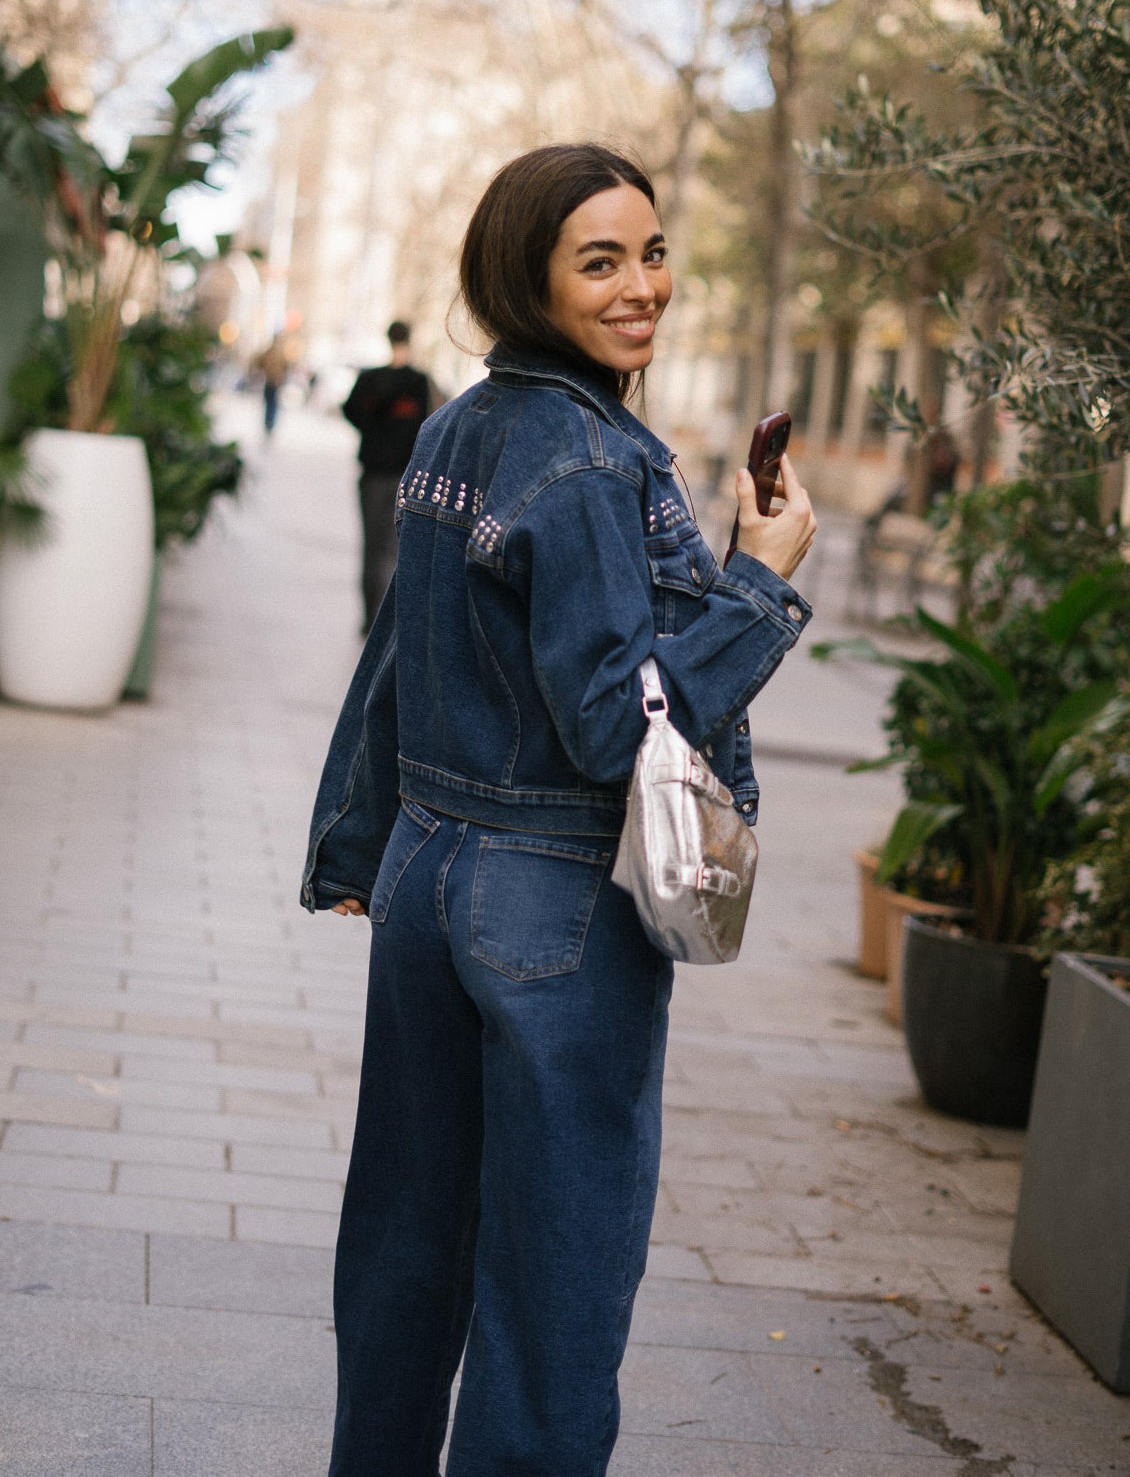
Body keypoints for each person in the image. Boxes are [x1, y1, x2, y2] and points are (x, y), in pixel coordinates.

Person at [301, 143, 817, 1477]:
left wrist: (360, 844)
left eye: (650, 252)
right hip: (552, 893)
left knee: (408, 1242)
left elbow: (397, 648)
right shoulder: (589, 459)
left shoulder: (460, 429)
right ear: (527, 277)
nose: (641, 285)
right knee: (555, 1278)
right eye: (600, 260)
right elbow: (614, 721)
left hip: (428, 873)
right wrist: (761, 581)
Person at [342, 320, 434, 633]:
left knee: (371, 547)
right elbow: (428, 424)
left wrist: (373, 432)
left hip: (373, 472)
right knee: (395, 549)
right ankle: (388, 623)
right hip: (404, 474)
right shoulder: (418, 382)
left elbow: (350, 410)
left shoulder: (370, 379)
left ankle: (371, 619)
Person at [255, 334, 288, 437]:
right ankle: (269, 423)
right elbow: (286, 367)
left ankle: (268, 423)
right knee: (272, 404)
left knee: (270, 404)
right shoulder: (281, 354)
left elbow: (260, 362)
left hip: (271, 381)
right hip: (273, 381)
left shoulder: (270, 352)